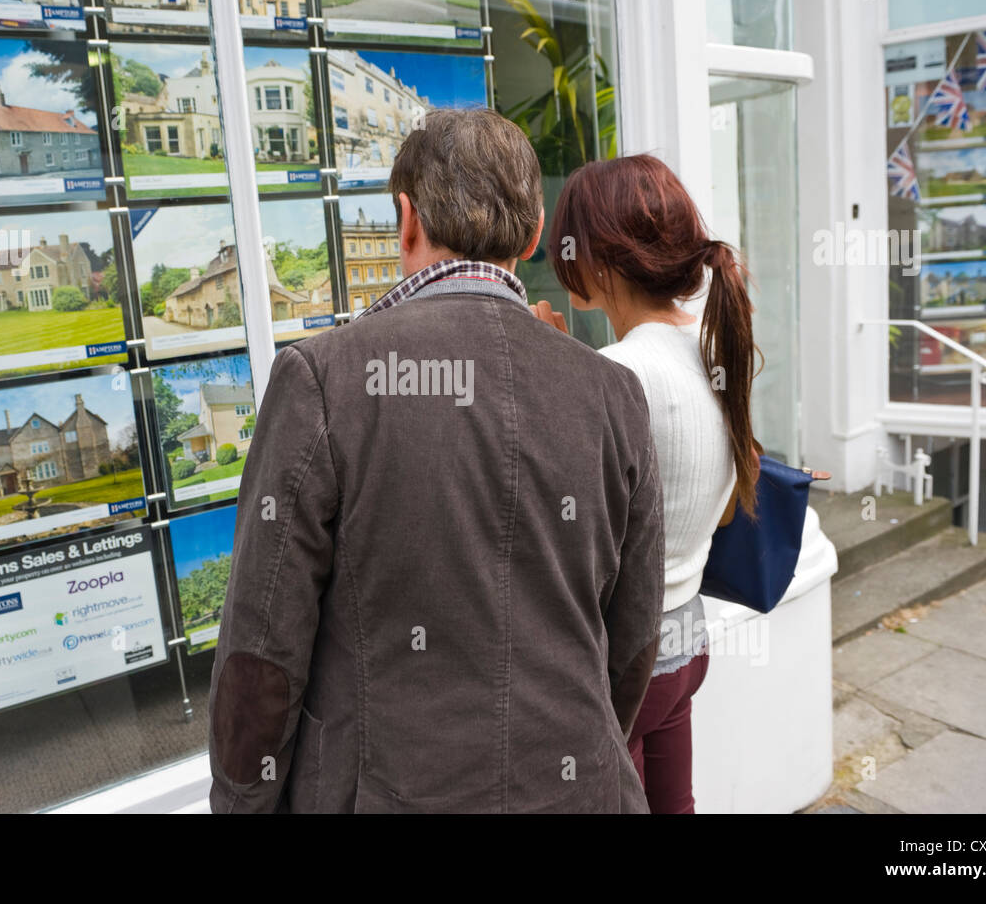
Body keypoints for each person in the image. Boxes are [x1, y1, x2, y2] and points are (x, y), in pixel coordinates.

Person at [208, 109, 666, 813]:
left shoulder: (323, 378)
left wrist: (243, 804)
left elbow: (261, 654)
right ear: (536, 232)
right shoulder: (614, 394)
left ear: (406, 219)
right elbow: (632, 641)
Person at [535, 153, 758, 814]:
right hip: (687, 644)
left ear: (600, 259)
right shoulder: (712, 347)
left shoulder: (615, 375)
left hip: (627, 660)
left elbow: (568, 533)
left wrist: (561, 374)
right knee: (674, 803)